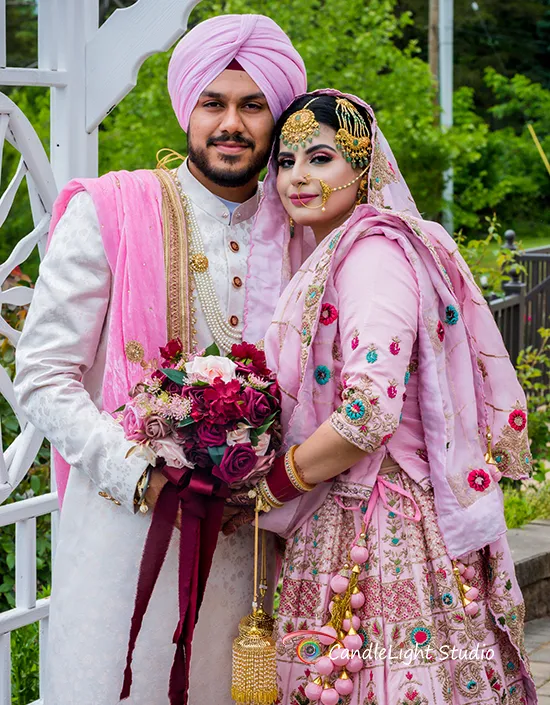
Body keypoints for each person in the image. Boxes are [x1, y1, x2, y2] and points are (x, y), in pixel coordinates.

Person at [13, 14, 306, 705]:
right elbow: (44, 374)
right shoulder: (112, 211)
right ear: (188, 109)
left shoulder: (302, 230)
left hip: (256, 547)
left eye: (252, 104)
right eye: (214, 102)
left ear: (276, 117)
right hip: (127, 539)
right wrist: (137, 473)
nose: (231, 123)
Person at [241, 90, 537, 704]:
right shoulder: (333, 252)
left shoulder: (372, 253)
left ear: (363, 166)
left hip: (380, 525)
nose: (298, 176)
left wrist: (272, 485)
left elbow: (368, 412)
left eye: (320, 158)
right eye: (287, 160)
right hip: (345, 508)